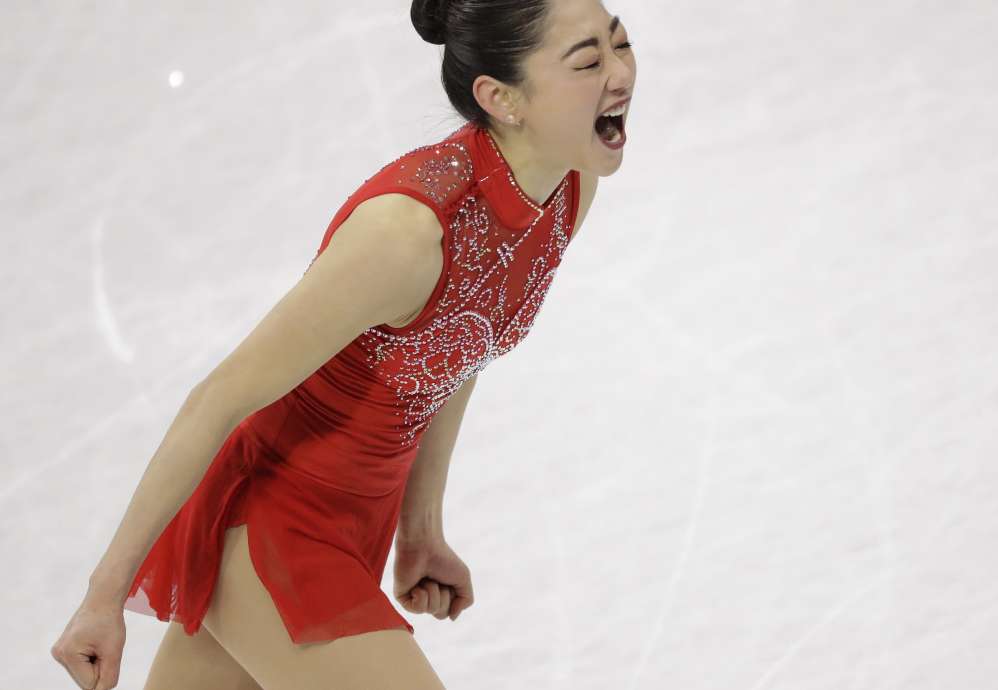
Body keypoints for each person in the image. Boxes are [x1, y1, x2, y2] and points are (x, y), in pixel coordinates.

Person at [48, 0, 636, 687]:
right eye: (589, 61)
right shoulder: (405, 235)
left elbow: (463, 340)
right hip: (272, 528)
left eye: (621, 45)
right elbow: (219, 399)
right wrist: (103, 596)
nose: (620, 73)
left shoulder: (569, 188)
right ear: (501, 98)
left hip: (361, 521)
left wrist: (419, 528)